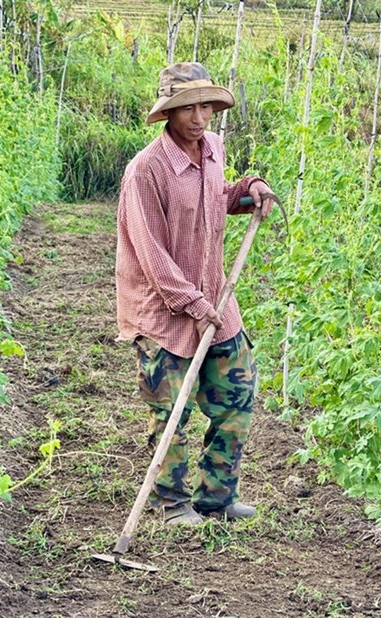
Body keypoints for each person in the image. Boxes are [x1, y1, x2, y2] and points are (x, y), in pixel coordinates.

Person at [115, 62, 274, 526]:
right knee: (171, 413)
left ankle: (216, 498)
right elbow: (151, 254)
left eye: (205, 105)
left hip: (214, 297)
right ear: (168, 112)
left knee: (237, 392)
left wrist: (249, 191)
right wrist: (196, 306)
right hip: (163, 310)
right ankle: (172, 503)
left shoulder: (214, 149)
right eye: (187, 107)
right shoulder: (145, 171)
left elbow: (213, 199)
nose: (199, 117)